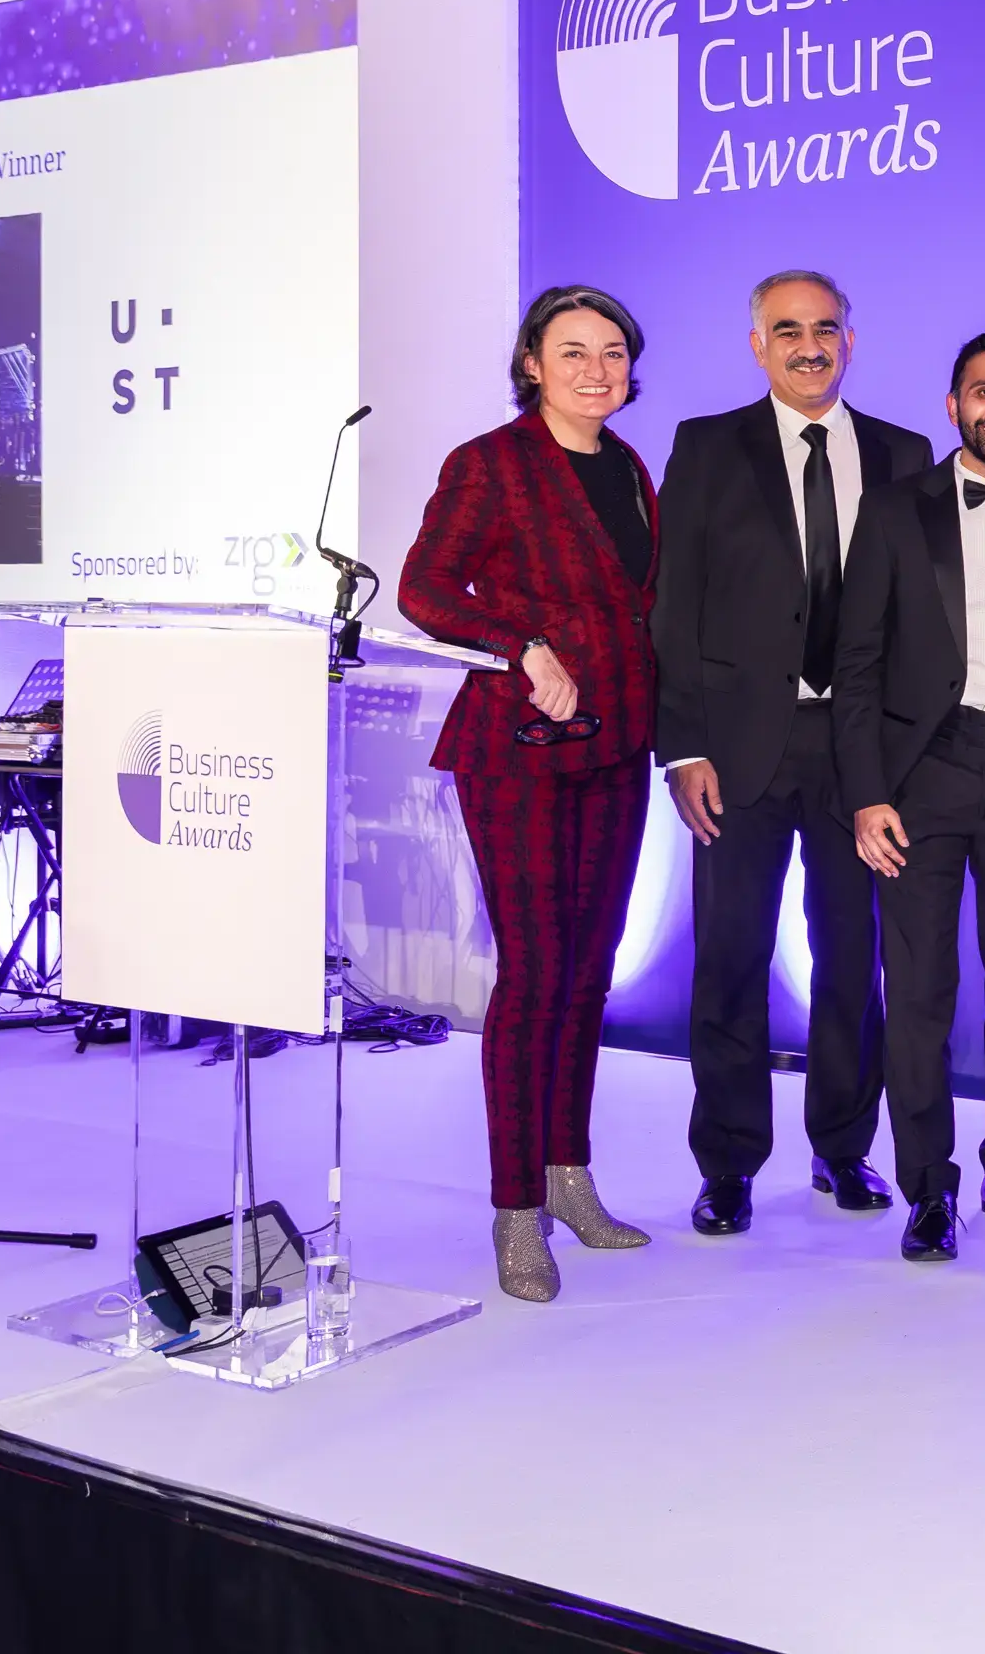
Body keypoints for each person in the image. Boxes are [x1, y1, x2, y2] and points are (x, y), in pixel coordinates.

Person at [654, 269, 932, 1237]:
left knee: (851, 956)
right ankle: (728, 1161)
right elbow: (674, 606)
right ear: (757, 344)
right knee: (731, 953)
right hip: (736, 751)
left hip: (861, 752)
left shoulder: (904, 454)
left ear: (849, 340)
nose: (808, 346)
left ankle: (843, 1147)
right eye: (787, 330)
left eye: (825, 328)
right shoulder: (706, 446)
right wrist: (683, 746)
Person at [399, 286, 661, 1303]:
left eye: (613, 352)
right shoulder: (491, 463)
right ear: (532, 364)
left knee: (589, 972)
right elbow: (425, 587)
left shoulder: (629, 466)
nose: (597, 370)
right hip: (517, 749)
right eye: (573, 351)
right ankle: (516, 1211)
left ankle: (568, 1176)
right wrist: (522, 645)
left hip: (617, 743)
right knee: (536, 975)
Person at [834, 329, 985, 1263]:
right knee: (918, 995)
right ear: (953, 404)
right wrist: (867, 794)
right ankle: (928, 1189)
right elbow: (857, 667)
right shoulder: (895, 510)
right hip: (921, 777)